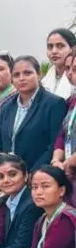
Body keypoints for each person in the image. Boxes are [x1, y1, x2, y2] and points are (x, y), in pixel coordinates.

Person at [0, 56, 67, 171]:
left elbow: (54, 144)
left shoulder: (54, 104)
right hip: (9, 175)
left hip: (39, 174)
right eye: (16, 75)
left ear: (39, 74)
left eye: (27, 73)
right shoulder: (6, 106)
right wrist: (2, 168)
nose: (21, 78)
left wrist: (32, 174)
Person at [50, 46, 76, 205]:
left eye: (75, 69)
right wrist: (56, 160)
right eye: (68, 68)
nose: (70, 73)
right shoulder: (71, 101)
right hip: (69, 174)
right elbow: (62, 133)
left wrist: (70, 162)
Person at [41, 28, 76, 99]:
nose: (54, 51)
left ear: (72, 49)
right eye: (50, 47)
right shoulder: (44, 81)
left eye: (60, 46)